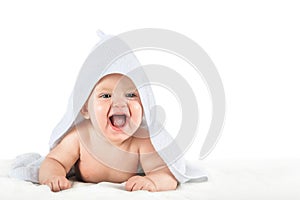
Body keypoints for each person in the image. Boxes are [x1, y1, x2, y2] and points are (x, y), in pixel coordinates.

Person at [38, 73, 178, 192]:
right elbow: (54, 161)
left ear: (144, 106)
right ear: (86, 108)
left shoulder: (141, 140)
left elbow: (166, 176)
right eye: (106, 95)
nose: (119, 103)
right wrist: (53, 176)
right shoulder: (80, 136)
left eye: (130, 95)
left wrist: (153, 182)